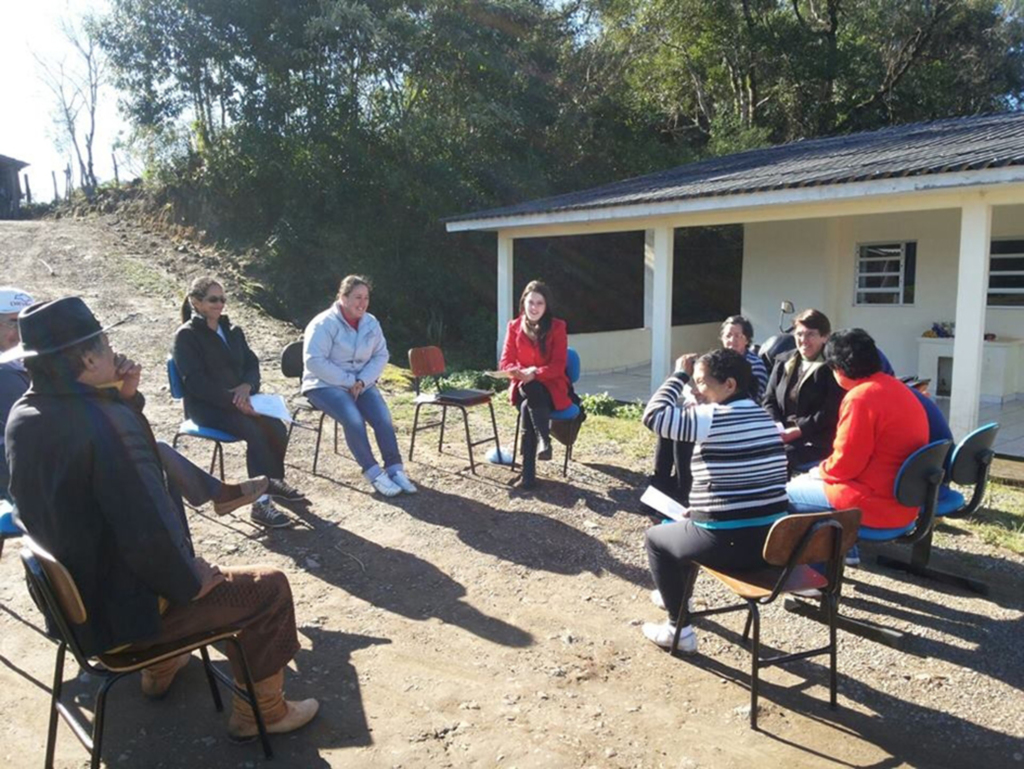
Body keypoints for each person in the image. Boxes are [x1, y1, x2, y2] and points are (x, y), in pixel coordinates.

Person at [4, 297, 318, 740]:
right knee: (269, 587)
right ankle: (261, 713)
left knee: (165, 527)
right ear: (89, 357)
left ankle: (162, 667)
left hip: (79, 614)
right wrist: (190, 581)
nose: (116, 353)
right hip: (126, 620)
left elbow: (104, 477)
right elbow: (146, 532)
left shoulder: (23, 415)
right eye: (107, 345)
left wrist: (124, 399)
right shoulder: (106, 422)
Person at [640, 348, 790, 653]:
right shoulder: (765, 419)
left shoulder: (711, 417)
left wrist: (678, 374)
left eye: (701, 382)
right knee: (682, 524)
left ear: (729, 385)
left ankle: (678, 629)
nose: (695, 390)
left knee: (656, 538)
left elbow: (653, 415)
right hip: (772, 546)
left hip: (728, 545)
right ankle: (682, 599)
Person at [786, 328, 930, 564]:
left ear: (838, 369)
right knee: (810, 482)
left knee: (788, 493)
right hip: (904, 501)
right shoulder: (900, 389)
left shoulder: (860, 398)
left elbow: (845, 466)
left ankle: (815, 576)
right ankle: (843, 553)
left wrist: (820, 472)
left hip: (874, 504)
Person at [173, 277, 304, 528]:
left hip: (242, 401)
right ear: (196, 302)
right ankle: (260, 504)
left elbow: (252, 365)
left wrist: (247, 387)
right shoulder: (186, 337)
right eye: (213, 299)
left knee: (276, 427)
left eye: (223, 299)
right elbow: (196, 383)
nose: (220, 304)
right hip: (208, 409)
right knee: (254, 431)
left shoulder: (233, 331)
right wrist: (234, 400)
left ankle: (272, 482)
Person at [302, 275, 416, 496]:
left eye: (366, 298)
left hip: (361, 382)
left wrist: (363, 381)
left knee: (383, 417)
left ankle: (395, 469)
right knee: (353, 418)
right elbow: (313, 361)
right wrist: (348, 381)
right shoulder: (324, 323)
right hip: (324, 384)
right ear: (343, 297)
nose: (362, 303)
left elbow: (381, 354)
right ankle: (374, 473)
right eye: (357, 297)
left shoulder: (371, 322)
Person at [647, 314, 769, 506]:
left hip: (732, 418)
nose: (732, 340)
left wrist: (679, 377)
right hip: (717, 412)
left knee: (682, 429)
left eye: (738, 336)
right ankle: (661, 482)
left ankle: (683, 489)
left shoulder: (753, 365)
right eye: (728, 335)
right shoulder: (717, 361)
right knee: (675, 424)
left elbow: (751, 398)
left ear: (747, 339)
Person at [499, 280, 571, 491]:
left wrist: (535, 373)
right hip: (522, 385)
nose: (534, 307)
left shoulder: (558, 327)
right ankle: (544, 439)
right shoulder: (513, 327)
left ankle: (528, 475)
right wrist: (522, 372)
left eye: (540, 303)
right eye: (531, 302)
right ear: (524, 303)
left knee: (527, 405)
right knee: (529, 391)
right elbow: (505, 362)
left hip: (551, 387)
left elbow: (558, 366)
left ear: (546, 305)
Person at [762, 308, 844, 473]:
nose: (803, 340)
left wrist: (800, 429)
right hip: (782, 436)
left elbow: (832, 409)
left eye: (810, 334)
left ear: (825, 336)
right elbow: (769, 399)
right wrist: (776, 426)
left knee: (777, 460)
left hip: (816, 440)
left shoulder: (833, 367)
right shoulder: (783, 361)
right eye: (799, 334)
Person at [0, 286, 35, 499]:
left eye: (28, 323)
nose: (23, 332)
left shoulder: (17, 365)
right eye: (14, 323)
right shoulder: (4, 374)